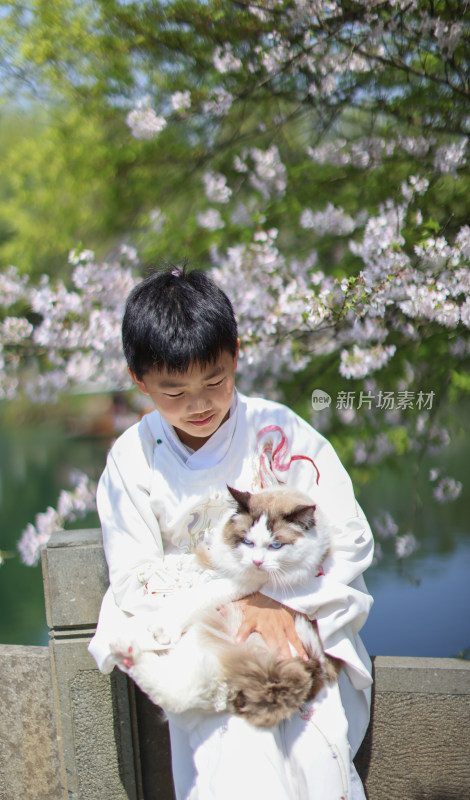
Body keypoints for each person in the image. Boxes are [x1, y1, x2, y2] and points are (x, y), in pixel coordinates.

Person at [88, 264, 373, 800]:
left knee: (308, 750)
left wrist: (281, 602)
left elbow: (350, 537)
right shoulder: (131, 460)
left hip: (298, 626)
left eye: (215, 381)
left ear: (236, 355)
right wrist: (235, 602)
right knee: (237, 755)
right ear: (139, 380)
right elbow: (133, 578)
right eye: (173, 391)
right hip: (208, 640)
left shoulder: (282, 432)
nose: (198, 404)